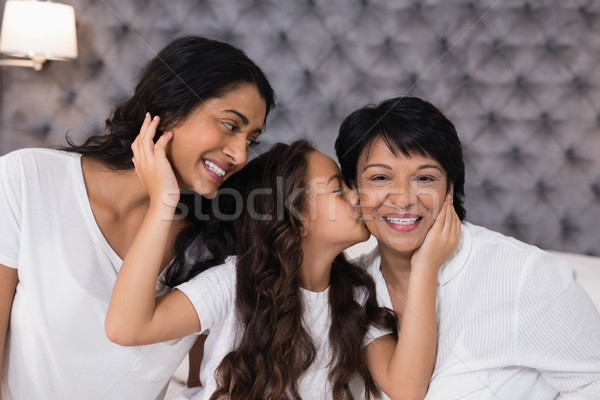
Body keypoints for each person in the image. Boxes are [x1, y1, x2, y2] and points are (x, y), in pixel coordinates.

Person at [0, 35, 275, 400]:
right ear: (169, 108)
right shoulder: (27, 178)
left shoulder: (215, 242)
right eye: (229, 125)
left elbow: (200, 384)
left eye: (251, 139)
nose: (240, 154)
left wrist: (165, 201)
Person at [105, 134, 461, 399]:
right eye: (339, 190)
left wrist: (425, 268)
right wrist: (162, 204)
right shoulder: (234, 282)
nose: (359, 196)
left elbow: (407, 388)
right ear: (297, 218)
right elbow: (127, 327)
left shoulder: (352, 293)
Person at [335, 96, 600, 399]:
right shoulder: (350, 286)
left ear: (449, 187)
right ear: (353, 189)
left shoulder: (526, 275)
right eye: (380, 177)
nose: (404, 198)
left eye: (425, 178)